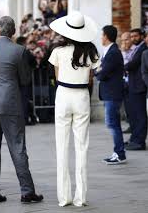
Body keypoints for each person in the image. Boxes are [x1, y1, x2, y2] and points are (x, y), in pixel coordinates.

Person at [0, 16, 43, 204]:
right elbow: (24, 79)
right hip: (9, 103)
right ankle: (27, 191)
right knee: (17, 147)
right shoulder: (18, 50)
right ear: (13, 31)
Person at [48, 11, 99, 207]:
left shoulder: (58, 51)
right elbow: (91, 78)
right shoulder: (91, 51)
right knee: (82, 147)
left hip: (63, 95)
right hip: (81, 96)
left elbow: (57, 76)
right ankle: (81, 197)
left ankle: (64, 197)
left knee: (61, 147)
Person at [96, 25, 126, 165]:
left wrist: (98, 71)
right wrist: (99, 70)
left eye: (102, 35)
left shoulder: (113, 52)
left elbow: (102, 74)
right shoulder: (109, 51)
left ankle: (119, 153)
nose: (101, 37)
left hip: (113, 94)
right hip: (110, 93)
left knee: (113, 124)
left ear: (106, 36)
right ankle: (118, 152)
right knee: (114, 124)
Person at [124, 29, 147, 150]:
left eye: (136, 36)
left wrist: (122, 67)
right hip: (133, 85)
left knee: (140, 116)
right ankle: (134, 138)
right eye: (131, 36)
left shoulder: (142, 48)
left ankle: (140, 142)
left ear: (142, 36)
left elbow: (133, 63)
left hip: (139, 86)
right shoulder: (137, 48)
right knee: (134, 115)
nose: (133, 38)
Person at [120, 32, 135, 134]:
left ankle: (135, 126)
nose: (124, 42)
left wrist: (125, 53)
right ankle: (131, 124)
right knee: (127, 106)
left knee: (134, 106)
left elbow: (128, 65)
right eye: (122, 40)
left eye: (126, 40)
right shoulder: (122, 51)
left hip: (133, 82)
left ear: (131, 39)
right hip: (124, 81)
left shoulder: (135, 50)